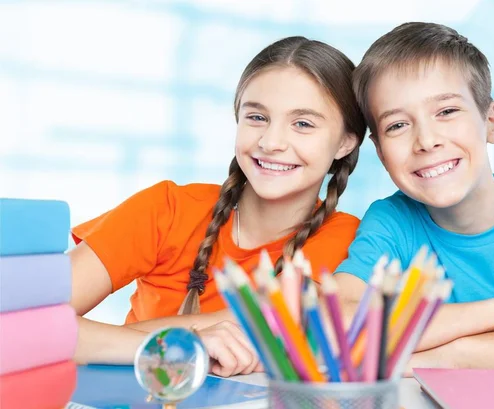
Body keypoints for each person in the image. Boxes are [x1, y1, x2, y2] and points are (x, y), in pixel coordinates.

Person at [69, 36, 367, 377]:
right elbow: (20, 323)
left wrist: (104, 338)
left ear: (346, 141)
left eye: (303, 124)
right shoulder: (167, 209)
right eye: (256, 117)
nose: (271, 142)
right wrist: (185, 341)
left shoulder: (351, 246)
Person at [334, 22, 494, 373]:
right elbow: (333, 326)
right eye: (397, 125)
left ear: (490, 121)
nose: (426, 141)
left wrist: (458, 355)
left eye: (446, 112)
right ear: (381, 152)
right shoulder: (392, 221)